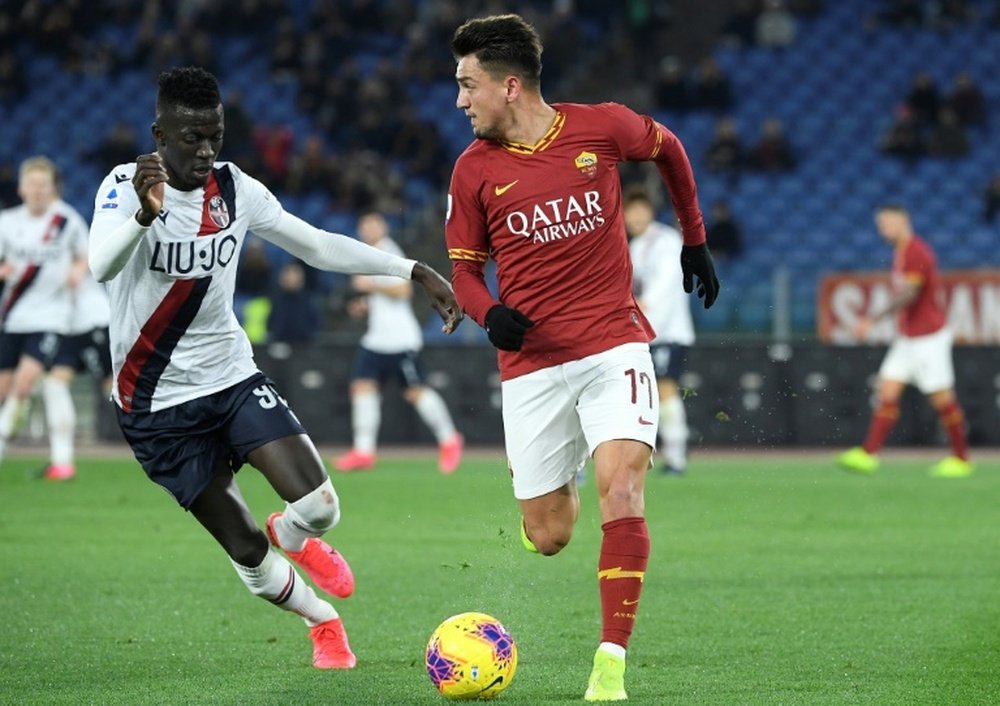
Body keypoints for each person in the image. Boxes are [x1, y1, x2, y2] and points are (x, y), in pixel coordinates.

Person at [88, 67, 462, 670]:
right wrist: (141, 215)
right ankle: (324, 621)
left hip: (231, 377)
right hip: (155, 406)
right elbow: (100, 266)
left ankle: (292, 534)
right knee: (250, 558)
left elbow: (314, 244)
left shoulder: (236, 190)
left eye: (215, 135)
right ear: (160, 133)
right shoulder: (122, 186)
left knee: (321, 508)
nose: (206, 150)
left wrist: (413, 269)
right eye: (191, 137)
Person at [445, 15, 719, 702]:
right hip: (533, 366)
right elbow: (466, 275)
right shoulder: (473, 170)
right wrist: (489, 313)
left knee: (622, 488)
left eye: (467, 85)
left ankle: (610, 664)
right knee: (550, 535)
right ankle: (545, 485)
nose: (459, 101)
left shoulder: (600, 128)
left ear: (510, 86)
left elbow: (671, 149)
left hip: (613, 343)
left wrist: (694, 238)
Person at [837, 204, 972, 479]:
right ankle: (869, 454)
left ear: (903, 221)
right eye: (881, 225)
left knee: (942, 398)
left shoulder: (915, 251)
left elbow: (910, 293)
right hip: (908, 338)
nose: (883, 230)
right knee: (887, 390)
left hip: (927, 338)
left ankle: (961, 458)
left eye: (887, 224)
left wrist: (873, 319)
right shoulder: (902, 252)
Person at [334, 211, 463, 474]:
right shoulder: (368, 253)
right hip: (377, 339)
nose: (368, 230)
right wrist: (364, 305)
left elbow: (403, 290)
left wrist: (370, 288)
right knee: (362, 387)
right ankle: (364, 450)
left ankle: (450, 439)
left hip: (399, 339)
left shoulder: (388, 251)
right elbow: (381, 294)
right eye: (364, 225)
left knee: (414, 392)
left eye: (373, 224)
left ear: (383, 227)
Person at [0, 156, 89, 480]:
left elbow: (87, 254)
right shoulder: (6, 222)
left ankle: (6, 448)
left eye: (44, 185)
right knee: (4, 388)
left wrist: (78, 271)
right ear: (22, 187)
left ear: (52, 188)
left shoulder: (66, 221)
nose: (37, 190)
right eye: (32, 184)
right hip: (13, 317)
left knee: (25, 383)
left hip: (52, 317)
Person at [623, 187, 695, 476]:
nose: (636, 217)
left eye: (641, 210)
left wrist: (644, 309)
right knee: (644, 395)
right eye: (631, 211)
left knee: (665, 389)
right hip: (644, 330)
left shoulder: (666, 240)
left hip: (666, 331)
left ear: (651, 212)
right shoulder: (636, 247)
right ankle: (654, 454)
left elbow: (666, 286)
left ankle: (677, 456)